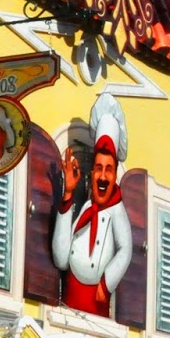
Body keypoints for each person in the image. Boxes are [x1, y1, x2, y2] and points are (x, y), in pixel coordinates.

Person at [51, 94, 133, 317]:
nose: (103, 176)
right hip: (71, 295)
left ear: (115, 174)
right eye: (99, 168)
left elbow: (126, 248)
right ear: (92, 172)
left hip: (97, 298)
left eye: (108, 169)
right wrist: (68, 194)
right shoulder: (85, 209)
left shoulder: (117, 209)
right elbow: (61, 257)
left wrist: (106, 283)